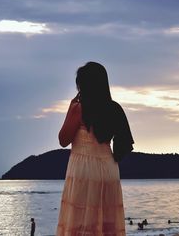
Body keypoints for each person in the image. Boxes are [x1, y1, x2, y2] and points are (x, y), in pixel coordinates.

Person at [55, 62, 134, 236]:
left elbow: (63, 140)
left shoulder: (79, 108)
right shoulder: (115, 108)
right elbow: (125, 143)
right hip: (109, 169)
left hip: (84, 171)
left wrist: (70, 108)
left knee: (81, 225)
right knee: (106, 226)